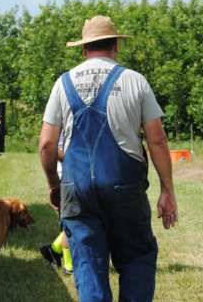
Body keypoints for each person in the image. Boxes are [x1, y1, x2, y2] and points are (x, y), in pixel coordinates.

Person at [39, 15, 178, 302]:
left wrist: (55, 185)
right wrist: (167, 190)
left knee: (88, 264)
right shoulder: (134, 81)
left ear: (83, 49)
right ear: (116, 45)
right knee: (137, 257)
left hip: (76, 190)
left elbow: (46, 145)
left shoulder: (62, 84)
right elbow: (157, 140)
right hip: (125, 187)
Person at [40, 132, 73, 275]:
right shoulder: (61, 111)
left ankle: (53, 250)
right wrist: (75, 159)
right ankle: (69, 266)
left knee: (75, 219)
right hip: (66, 174)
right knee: (70, 223)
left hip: (71, 173)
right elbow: (48, 145)